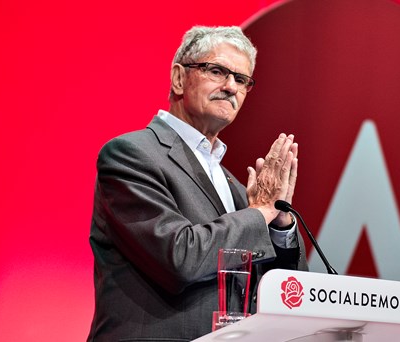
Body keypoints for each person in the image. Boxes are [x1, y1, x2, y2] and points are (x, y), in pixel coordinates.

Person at [87, 25, 308, 341]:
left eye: (242, 80)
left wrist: (279, 221)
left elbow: (286, 291)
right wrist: (259, 212)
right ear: (179, 78)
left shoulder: (233, 184)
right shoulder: (131, 155)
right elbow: (180, 258)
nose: (231, 86)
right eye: (217, 71)